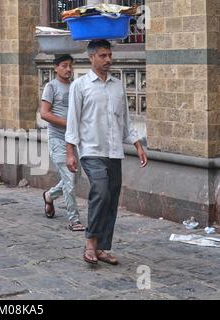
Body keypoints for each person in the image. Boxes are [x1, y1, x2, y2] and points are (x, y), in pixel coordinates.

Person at [65, 40, 148, 265]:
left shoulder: (117, 85)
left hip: (114, 151)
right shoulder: (80, 86)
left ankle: (102, 247)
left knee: (110, 199)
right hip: (91, 150)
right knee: (100, 192)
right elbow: (73, 120)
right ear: (91, 57)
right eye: (103, 55)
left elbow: (125, 119)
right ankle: (90, 242)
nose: (108, 60)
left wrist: (137, 143)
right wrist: (70, 151)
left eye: (109, 55)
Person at [40, 54, 84, 232]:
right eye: (64, 66)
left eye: (70, 66)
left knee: (72, 178)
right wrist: (68, 124)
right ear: (56, 68)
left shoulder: (76, 86)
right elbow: (44, 113)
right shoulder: (51, 87)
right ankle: (74, 219)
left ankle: (49, 195)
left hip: (74, 140)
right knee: (69, 178)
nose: (68, 69)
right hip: (58, 139)